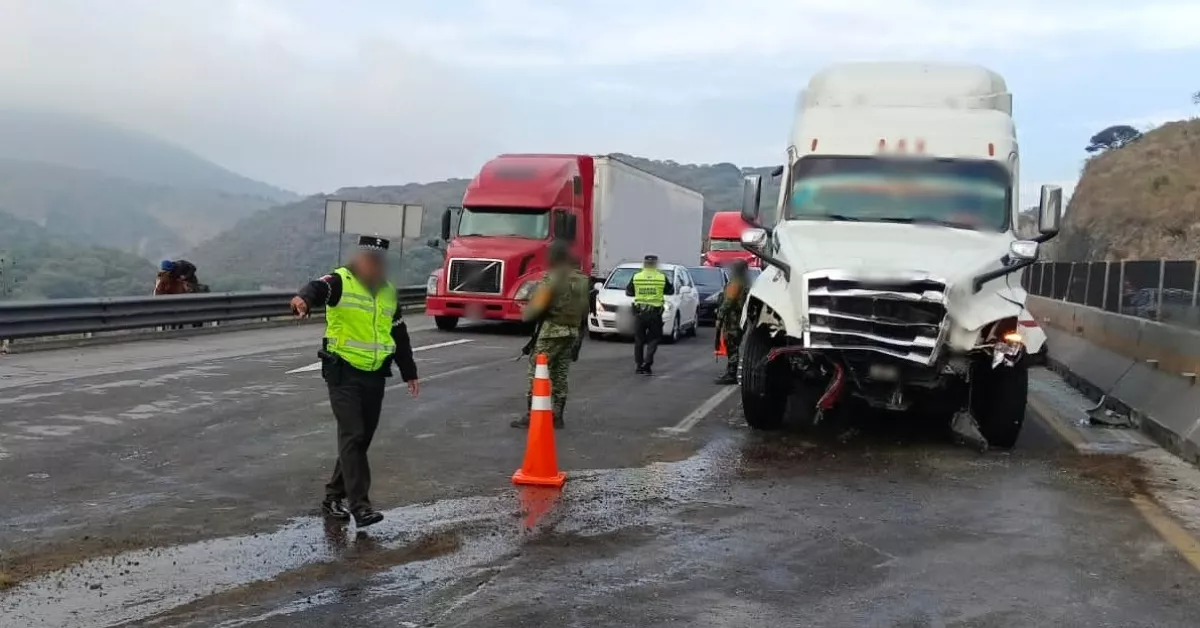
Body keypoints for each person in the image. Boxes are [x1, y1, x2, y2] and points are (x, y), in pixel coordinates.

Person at [290, 235, 420, 528]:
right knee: (354, 434)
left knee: (360, 439)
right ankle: (360, 506)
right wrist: (303, 298)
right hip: (343, 371)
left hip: (375, 374)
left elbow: (398, 334)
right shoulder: (340, 280)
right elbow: (316, 287)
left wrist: (409, 371)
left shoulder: (388, 292)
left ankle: (333, 496)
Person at [512, 240, 590, 430]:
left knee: (537, 370)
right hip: (572, 331)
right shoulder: (582, 279)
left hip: (552, 331)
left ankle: (533, 414)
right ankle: (558, 415)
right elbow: (585, 309)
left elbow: (536, 308)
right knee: (561, 373)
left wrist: (526, 312)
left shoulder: (552, 278)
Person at [624, 254, 674, 375]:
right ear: (656, 264)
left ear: (644, 263)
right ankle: (648, 363)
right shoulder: (661, 277)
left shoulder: (637, 276)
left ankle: (638, 365)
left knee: (639, 340)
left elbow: (629, 292)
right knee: (654, 338)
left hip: (640, 313)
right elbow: (670, 290)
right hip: (655, 314)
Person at [714, 259, 750, 385]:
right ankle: (731, 373)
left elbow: (728, 302)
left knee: (732, 347)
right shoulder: (746, 283)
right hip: (739, 319)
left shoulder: (736, 283)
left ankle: (731, 374)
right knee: (733, 346)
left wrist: (720, 317)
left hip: (733, 320)